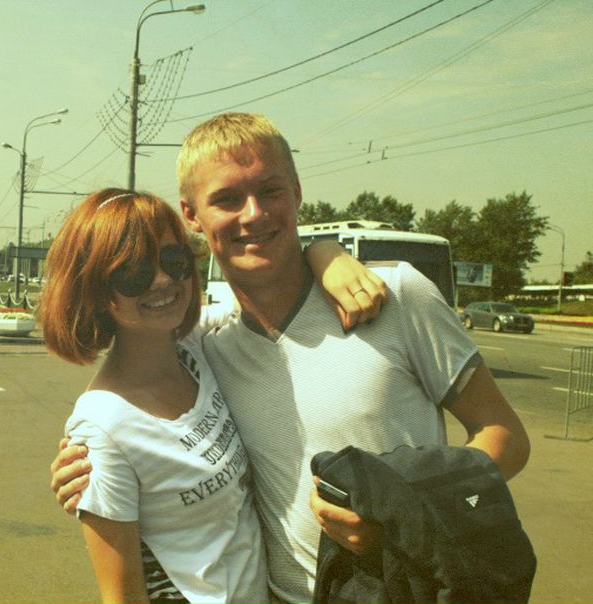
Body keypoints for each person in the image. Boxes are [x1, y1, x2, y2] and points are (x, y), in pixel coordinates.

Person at [50, 113, 530, 604]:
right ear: (192, 215)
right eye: (227, 199)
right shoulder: (209, 343)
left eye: (270, 190)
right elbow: (130, 371)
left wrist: (409, 516)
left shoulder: (396, 296)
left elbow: (506, 436)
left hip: (409, 590)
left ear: (297, 192)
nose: (254, 214)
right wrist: (93, 458)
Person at [39, 187, 386, 604]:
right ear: (95, 291)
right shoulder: (102, 428)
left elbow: (270, 292)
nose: (162, 280)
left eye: (173, 260)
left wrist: (325, 254)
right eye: (133, 273)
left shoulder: (194, 347)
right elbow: (122, 596)